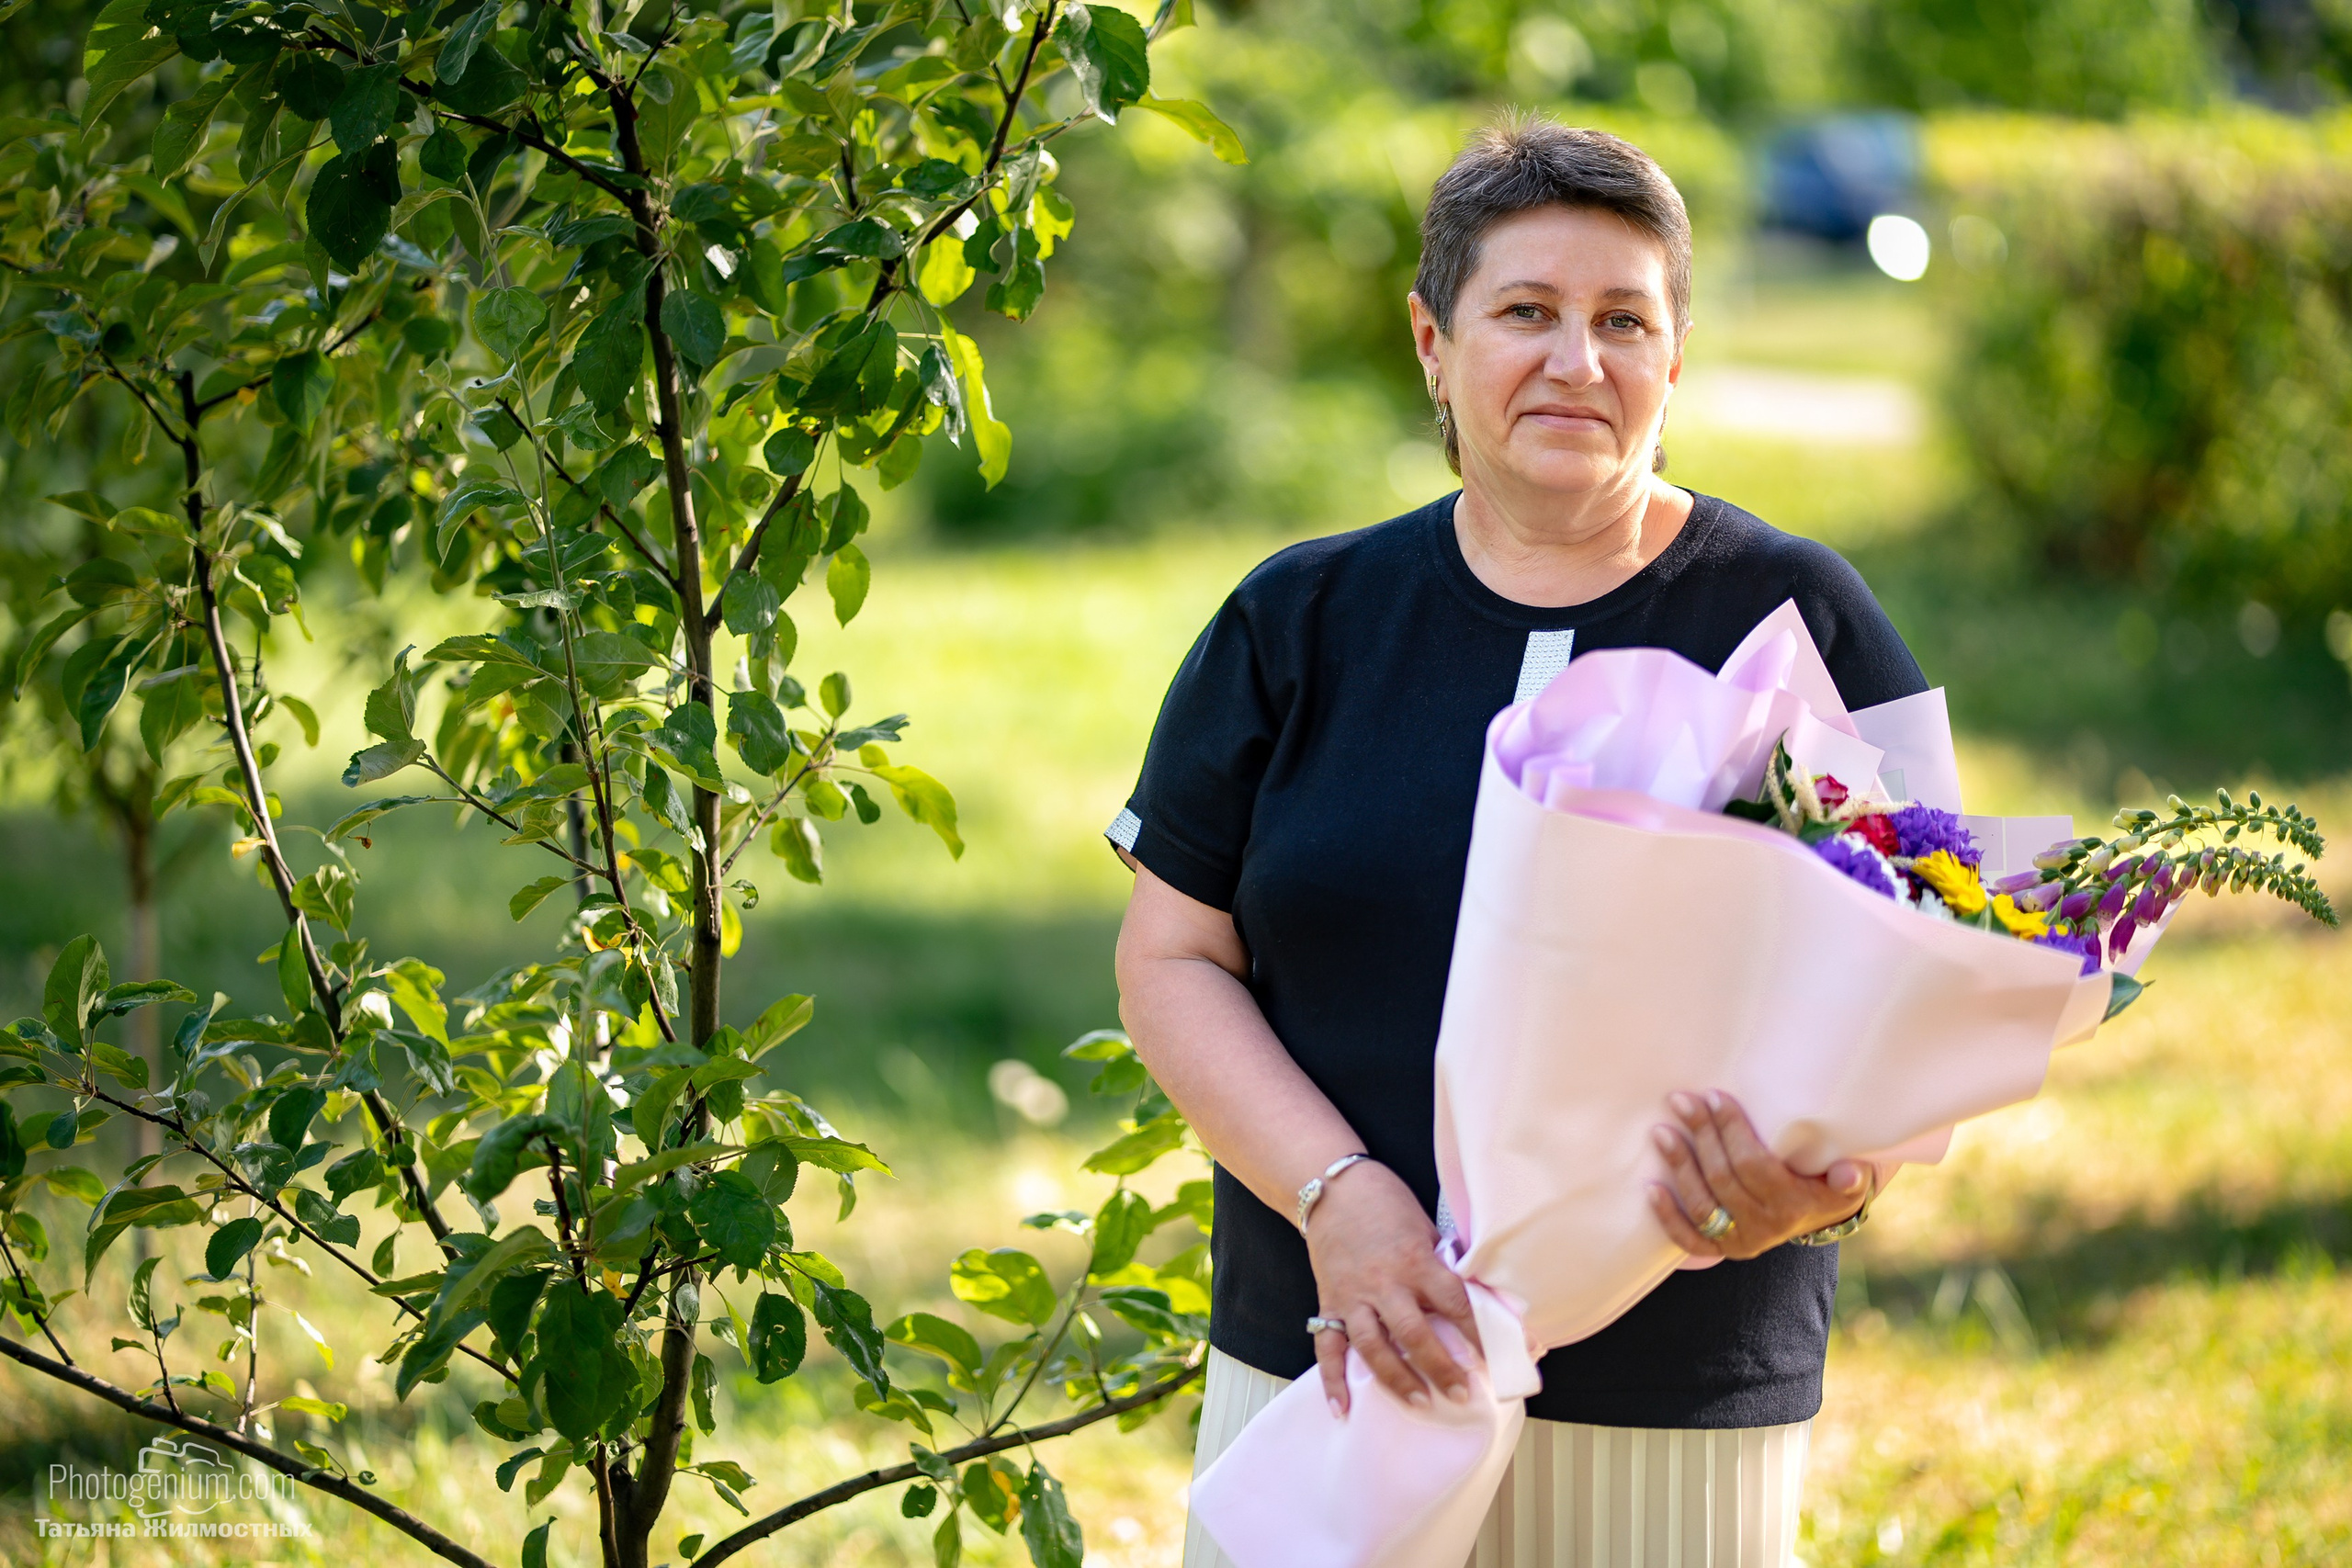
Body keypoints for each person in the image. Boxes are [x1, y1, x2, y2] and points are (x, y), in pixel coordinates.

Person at [1108, 116, 1926, 1567]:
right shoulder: (1296, 622)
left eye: (1626, 320)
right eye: (1526, 313)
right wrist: (1339, 1201)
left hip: (1666, 1394)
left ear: (1677, 359)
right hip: (1330, 1362)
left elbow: (1922, 983)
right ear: (1433, 342)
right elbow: (1172, 957)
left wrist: (1820, 1188)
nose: (1578, 360)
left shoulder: (1801, 619)